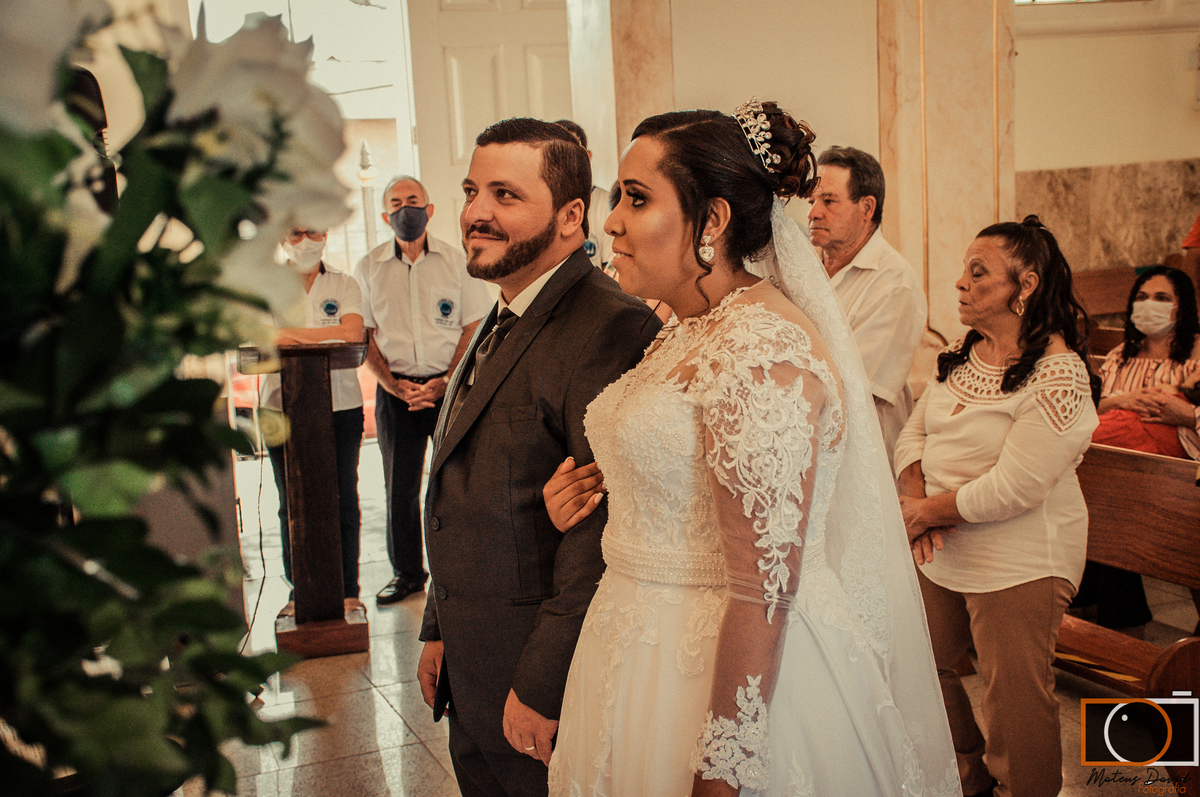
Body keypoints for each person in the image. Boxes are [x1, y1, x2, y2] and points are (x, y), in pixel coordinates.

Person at [544, 100, 958, 796]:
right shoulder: (688, 329)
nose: (610, 219)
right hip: (632, 647)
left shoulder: (761, 348)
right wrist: (592, 500)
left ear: (711, 221)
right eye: (617, 198)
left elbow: (762, 585)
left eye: (636, 199)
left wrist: (725, 768)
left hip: (723, 674)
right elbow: (684, 489)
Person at [415, 119, 661, 796]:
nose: (476, 213)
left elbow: (599, 530)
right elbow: (463, 487)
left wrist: (544, 682)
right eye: (470, 190)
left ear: (570, 216)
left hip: (536, 673)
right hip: (472, 655)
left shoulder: (610, 325)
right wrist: (440, 624)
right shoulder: (501, 311)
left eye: (504, 194)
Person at [895, 216, 1100, 797]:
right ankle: (967, 771)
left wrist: (924, 513)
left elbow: (1017, 486)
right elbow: (916, 431)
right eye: (964, 269)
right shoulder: (967, 351)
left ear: (1026, 285)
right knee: (919, 664)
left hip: (1021, 559)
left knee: (1012, 694)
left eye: (977, 272)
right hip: (941, 543)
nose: (960, 283)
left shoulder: (1058, 374)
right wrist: (914, 495)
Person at [355, 176, 493, 606]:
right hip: (396, 394)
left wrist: (446, 381)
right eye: (395, 203)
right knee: (399, 487)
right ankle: (408, 574)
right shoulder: (369, 267)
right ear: (384, 216)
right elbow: (363, 333)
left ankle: (466, 567)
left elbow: (474, 325)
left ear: (429, 210)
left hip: (449, 389)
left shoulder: (457, 261)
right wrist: (393, 385)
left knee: (458, 483)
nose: (405, 209)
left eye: (413, 200)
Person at [1073, 265, 1200, 632]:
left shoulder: (1195, 357)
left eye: (1162, 298)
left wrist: (1187, 414)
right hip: (1118, 463)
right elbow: (1089, 411)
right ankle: (1114, 608)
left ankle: (1113, 604)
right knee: (1099, 471)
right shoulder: (1120, 356)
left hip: (1176, 470)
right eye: (1142, 297)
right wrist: (1122, 401)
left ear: (1182, 307)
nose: (1149, 305)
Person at [262, 227, 366, 610]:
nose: (306, 240)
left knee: (343, 500)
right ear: (282, 238)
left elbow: (353, 333)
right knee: (291, 501)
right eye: (296, 232)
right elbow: (263, 338)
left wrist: (290, 334)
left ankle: (348, 590)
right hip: (279, 408)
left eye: (313, 231)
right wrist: (324, 336)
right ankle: (299, 591)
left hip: (341, 406)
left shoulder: (345, 283)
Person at [807, 146, 926, 464]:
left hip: (861, 457)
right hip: (806, 444)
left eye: (828, 201)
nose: (814, 213)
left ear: (867, 208)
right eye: (812, 201)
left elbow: (855, 390)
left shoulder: (895, 282)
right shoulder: (802, 267)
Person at [553, 119, 614, 275]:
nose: (563, 161)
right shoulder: (537, 206)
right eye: (556, 153)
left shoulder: (606, 205)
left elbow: (612, 272)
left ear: (587, 156)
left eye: (571, 153)